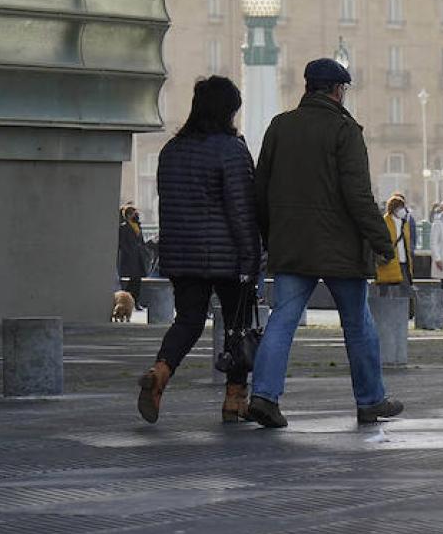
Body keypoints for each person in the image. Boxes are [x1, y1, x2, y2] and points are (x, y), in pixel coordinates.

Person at [245, 57, 403, 429]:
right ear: (337, 90)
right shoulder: (344, 130)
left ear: (307, 87)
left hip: (293, 246)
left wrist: (272, 237)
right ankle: (369, 400)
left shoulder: (280, 126)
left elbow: (260, 190)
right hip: (340, 250)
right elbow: (358, 196)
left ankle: (264, 397)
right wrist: (383, 243)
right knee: (357, 324)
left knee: (283, 320)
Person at [134, 76, 262, 425]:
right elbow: (241, 210)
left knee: (188, 321)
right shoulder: (232, 150)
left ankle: (160, 372)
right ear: (227, 111)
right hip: (227, 256)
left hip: (182, 254)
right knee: (237, 326)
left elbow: (168, 206)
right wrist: (252, 257)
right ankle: (235, 399)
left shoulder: (171, 150)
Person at [377, 193, 416, 293]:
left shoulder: (404, 223)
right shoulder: (385, 222)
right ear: (393, 208)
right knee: (386, 291)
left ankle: (407, 308)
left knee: (406, 290)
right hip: (390, 260)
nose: (402, 210)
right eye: (400, 207)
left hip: (404, 260)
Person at [116, 203, 151, 298]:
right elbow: (122, 243)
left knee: (138, 279)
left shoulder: (137, 226)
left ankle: (136, 300)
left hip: (139, 256)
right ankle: (127, 298)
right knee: (131, 280)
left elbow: (141, 240)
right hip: (130, 257)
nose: (136, 215)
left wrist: (144, 250)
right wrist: (129, 252)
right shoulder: (124, 227)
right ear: (128, 215)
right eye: (134, 213)